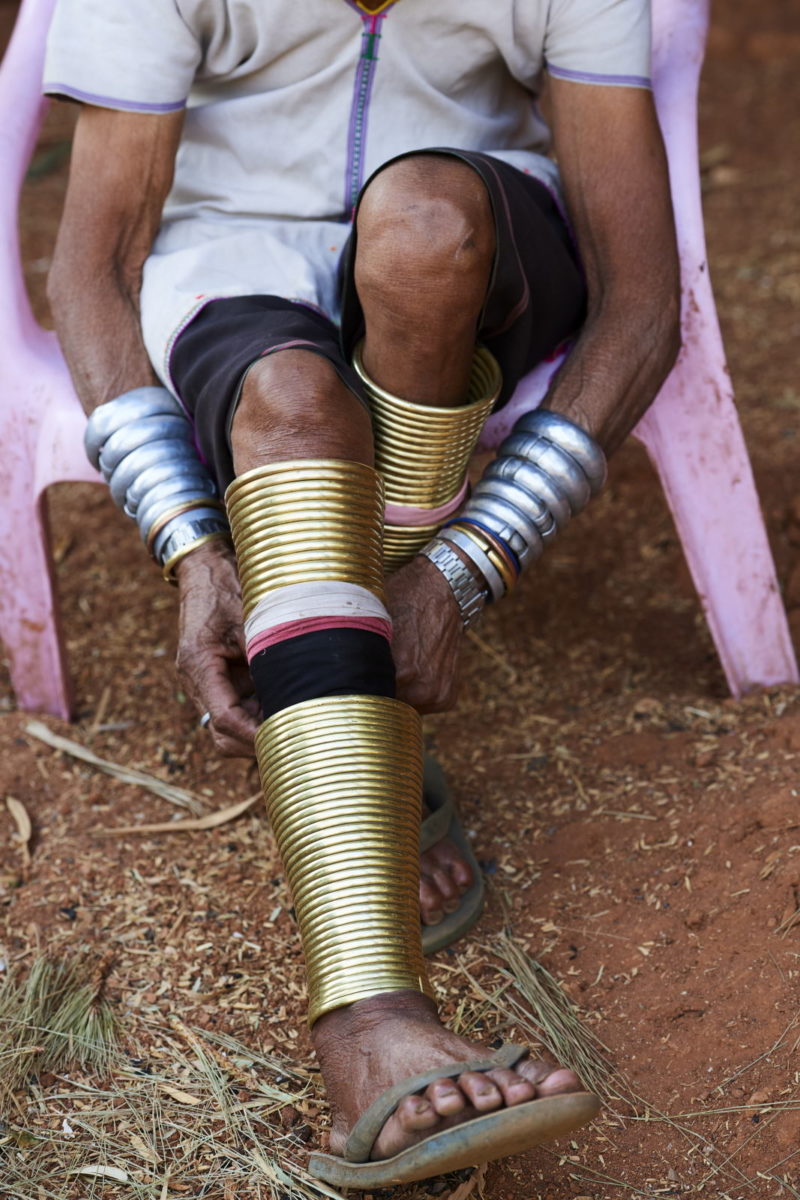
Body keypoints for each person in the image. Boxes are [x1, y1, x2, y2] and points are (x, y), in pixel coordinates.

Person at [44, 0, 680, 1185]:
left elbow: (641, 301)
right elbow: (92, 269)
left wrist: (468, 562)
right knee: (292, 408)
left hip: (480, 246)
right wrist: (191, 545)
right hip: (232, 255)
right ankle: (367, 1016)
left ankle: (352, 712)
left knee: (420, 227)